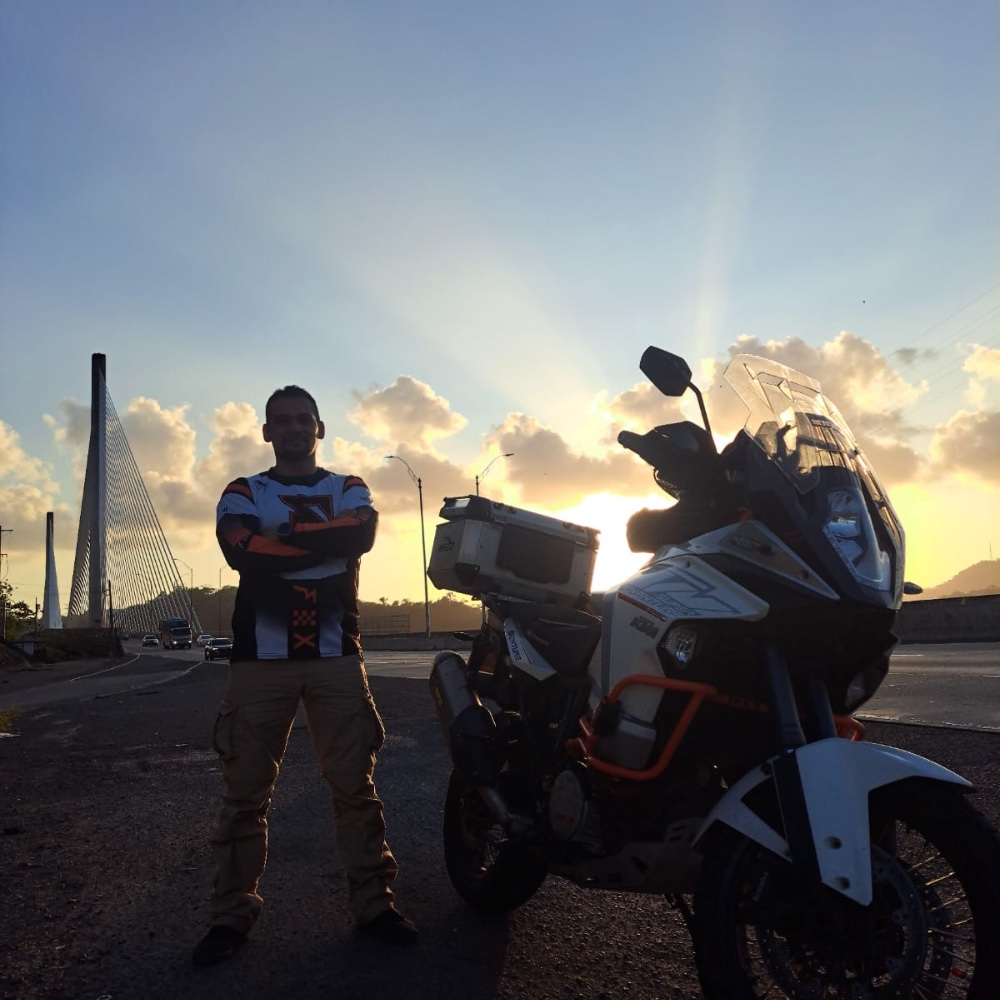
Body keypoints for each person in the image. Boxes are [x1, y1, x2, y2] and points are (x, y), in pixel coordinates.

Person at [193, 385, 417, 967]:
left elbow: (359, 535)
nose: (293, 428)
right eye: (282, 420)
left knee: (355, 789)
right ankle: (230, 914)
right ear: (267, 432)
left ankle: (374, 905)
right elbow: (240, 550)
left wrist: (283, 536)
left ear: (319, 429)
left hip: (336, 656)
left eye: (303, 420)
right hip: (258, 662)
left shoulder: (349, 486)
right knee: (244, 796)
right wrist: (323, 545)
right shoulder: (243, 489)